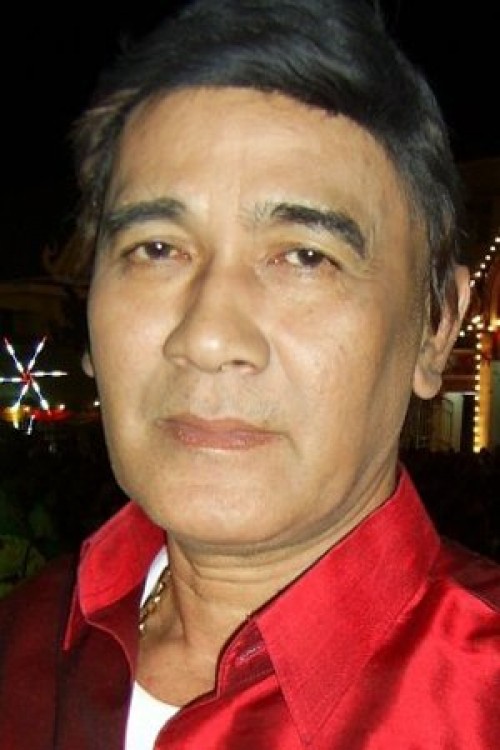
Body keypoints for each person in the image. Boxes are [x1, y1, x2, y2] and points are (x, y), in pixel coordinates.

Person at [1, 1, 499, 747]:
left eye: (305, 256)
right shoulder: (26, 641)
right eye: (156, 249)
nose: (208, 336)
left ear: (436, 326)